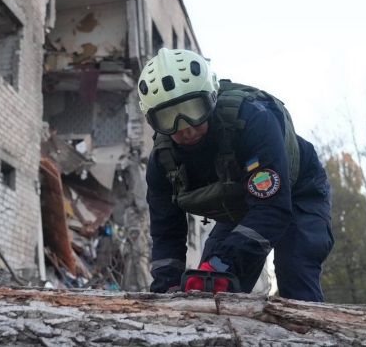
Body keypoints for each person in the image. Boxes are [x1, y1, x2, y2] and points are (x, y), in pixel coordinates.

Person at [138, 48, 333, 302]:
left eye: (192, 109)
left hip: (298, 191)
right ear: (153, 121)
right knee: (206, 288)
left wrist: (224, 262)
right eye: (168, 118)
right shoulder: (162, 162)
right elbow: (166, 232)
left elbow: (272, 209)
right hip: (240, 204)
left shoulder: (253, 121)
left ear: (210, 98)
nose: (185, 128)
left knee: (294, 269)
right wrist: (166, 288)